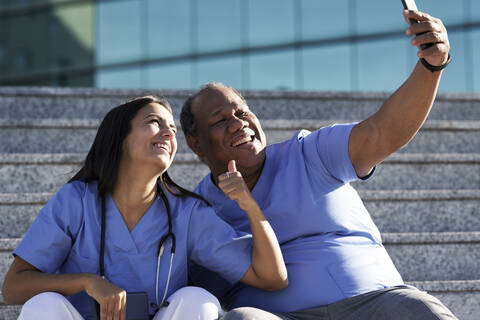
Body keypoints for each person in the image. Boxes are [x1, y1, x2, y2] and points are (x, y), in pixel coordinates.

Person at [180, 9, 457, 320]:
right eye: (220, 120)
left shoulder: (308, 152)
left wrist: (431, 66)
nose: (238, 124)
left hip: (374, 302)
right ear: (195, 143)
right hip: (282, 316)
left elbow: (381, 133)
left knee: (420, 308)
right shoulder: (196, 210)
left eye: (243, 113)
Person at [1, 96, 287, 320]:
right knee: (44, 304)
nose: (168, 134)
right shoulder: (76, 200)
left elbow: (271, 277)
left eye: (173, 130)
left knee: (198, 300)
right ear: (120, 138)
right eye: (155, 122)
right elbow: (13, 287)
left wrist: (250, 206)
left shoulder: (187, 212)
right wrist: (87, 282)